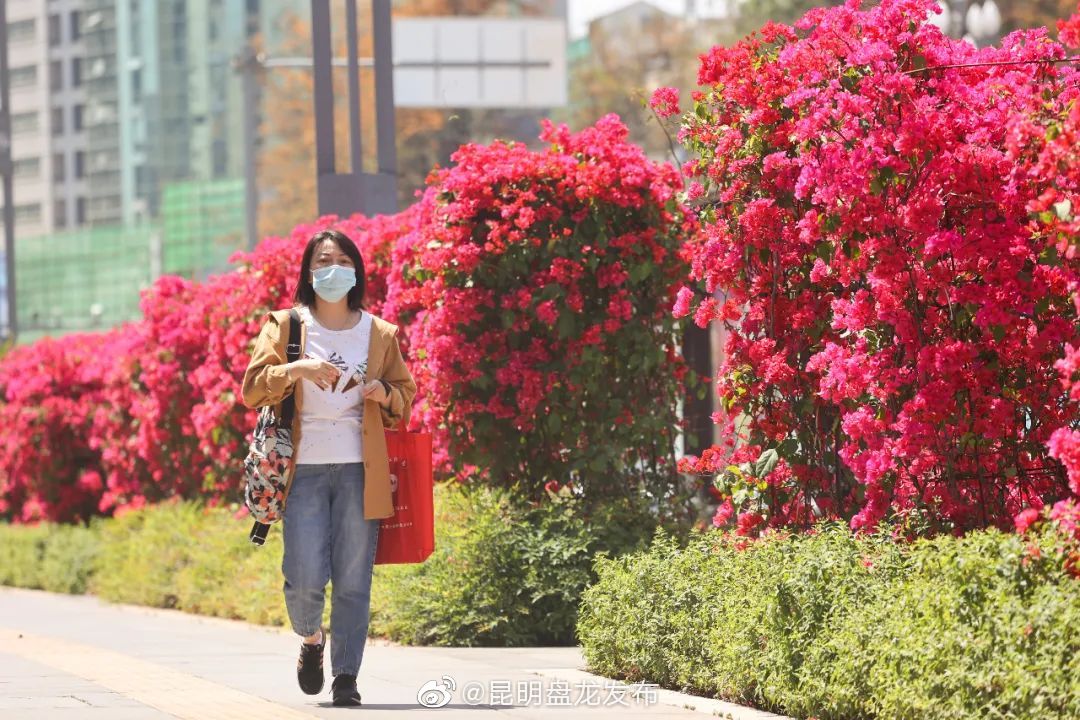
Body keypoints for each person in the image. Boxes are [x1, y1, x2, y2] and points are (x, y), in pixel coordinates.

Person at [241, 229, 417, 707]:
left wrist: (385, 393)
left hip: (362, 469)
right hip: (304, 470)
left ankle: (346, 677)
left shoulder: (379, 333)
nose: (332, 269)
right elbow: (252, 388)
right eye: (322, 261)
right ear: (308, 271)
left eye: (341, 260)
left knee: (354, 579)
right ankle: (311, 640)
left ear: (356, 270)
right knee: (302, 575)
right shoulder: (285, 325)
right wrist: (295, 370)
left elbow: (405, 394)